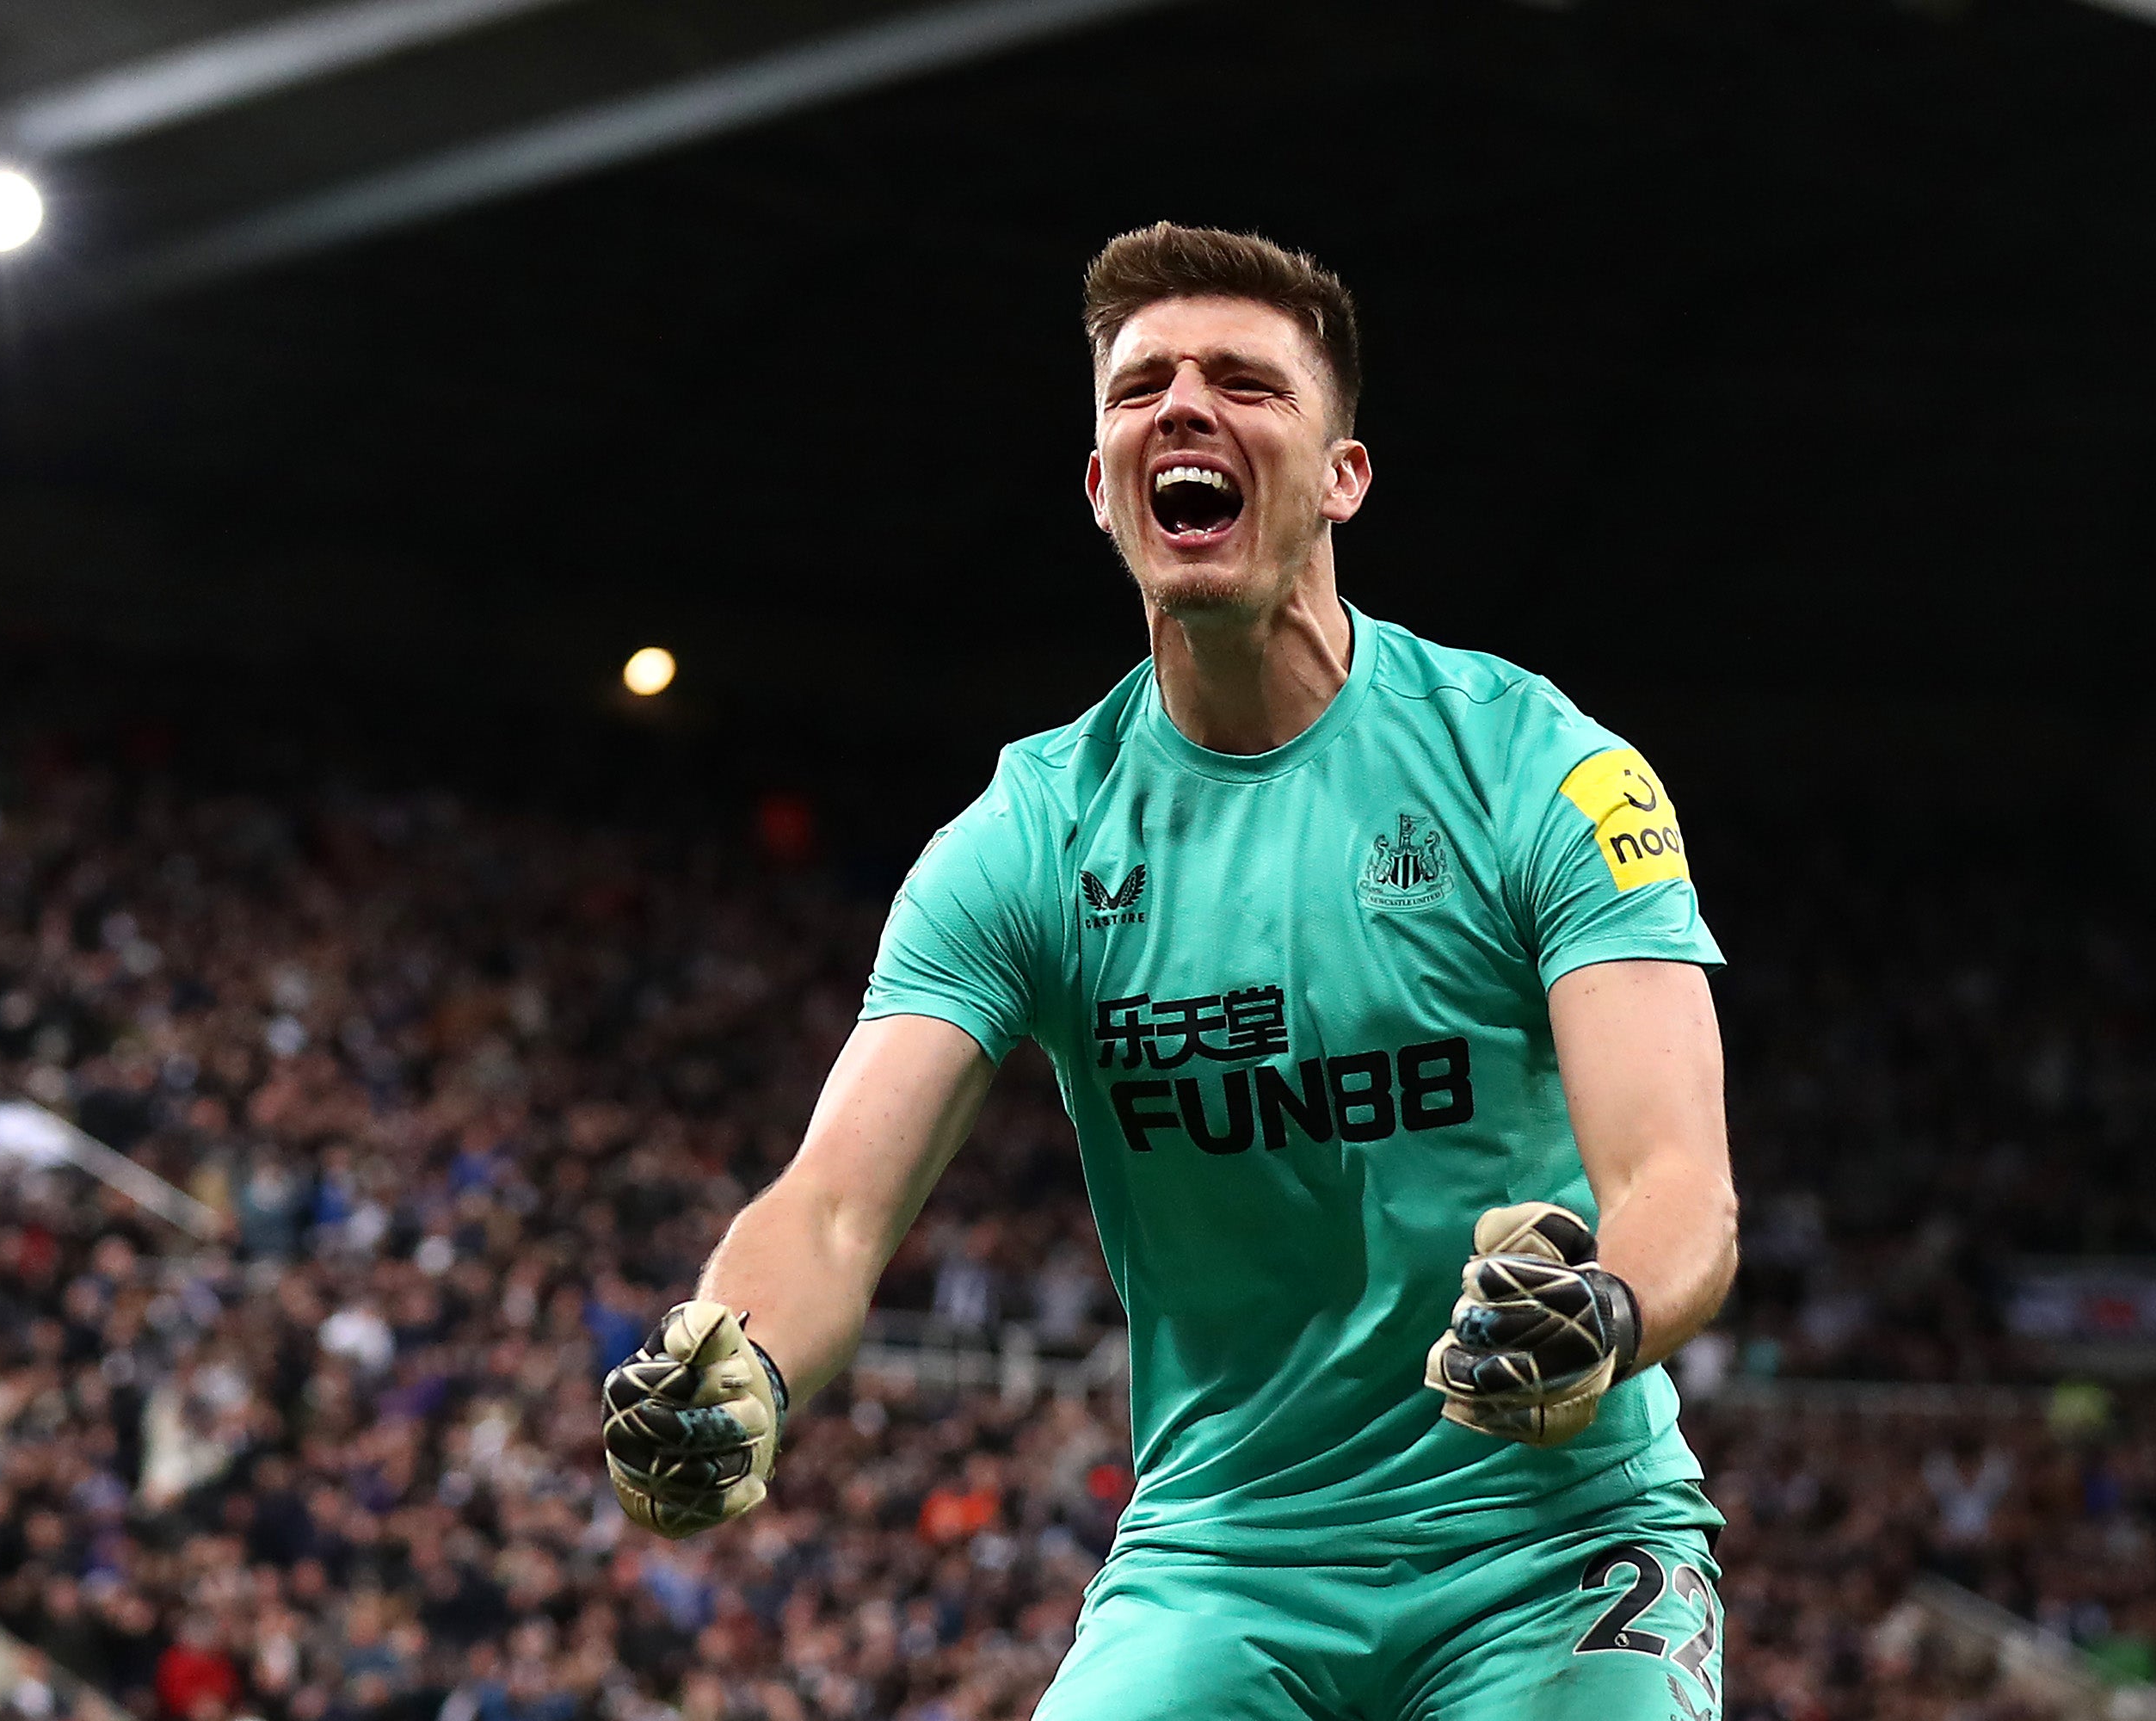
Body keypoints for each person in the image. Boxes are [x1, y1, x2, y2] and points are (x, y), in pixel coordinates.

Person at [601, 223, 1739, 1720]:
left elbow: (1679, 1186)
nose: (1184, 408)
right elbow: (829, 1205)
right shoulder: (1027, 839)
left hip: (1553, 1540)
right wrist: (736, 1366)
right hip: (1225, 1561)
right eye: (1141, 388)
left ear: (1343, 479)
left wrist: (1602, 1313)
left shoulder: (1541, 769)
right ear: (1099, 486)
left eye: (1245, 385)